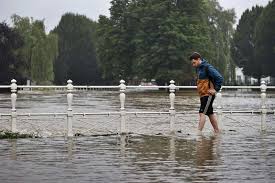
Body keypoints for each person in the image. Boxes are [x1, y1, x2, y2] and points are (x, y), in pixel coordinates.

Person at [190, 52, 223, 133]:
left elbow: (219, 77)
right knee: (210, 113)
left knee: (202, 113)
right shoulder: (199, 68)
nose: (193, 65)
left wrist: (215, 89)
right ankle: (217, 131)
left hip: (208, 95)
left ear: (199, 59)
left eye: (194, 62)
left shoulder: (207, 67)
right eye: (192, 63)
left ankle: (198, 133)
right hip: (203, 95)